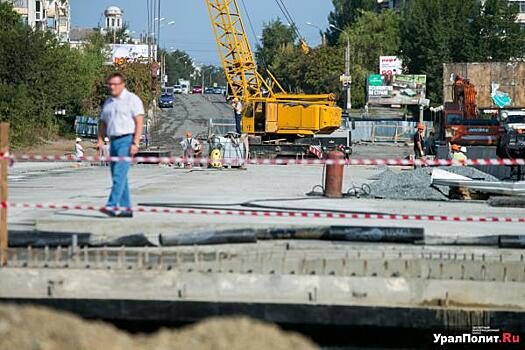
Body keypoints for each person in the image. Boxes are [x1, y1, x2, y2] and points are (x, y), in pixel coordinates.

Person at [98, 72, 145, 218]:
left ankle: (111, 205)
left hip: (126, 140)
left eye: (115, 84)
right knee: (119, 176)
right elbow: (103, 122)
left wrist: (135, 142)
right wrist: (100, 139)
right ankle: (126, 209)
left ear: (122, 85)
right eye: (110, 84)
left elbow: (139, 121)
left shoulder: (132, 100)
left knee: (119, 174)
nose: (112, 87)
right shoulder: (108, 102)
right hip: (113, 141)